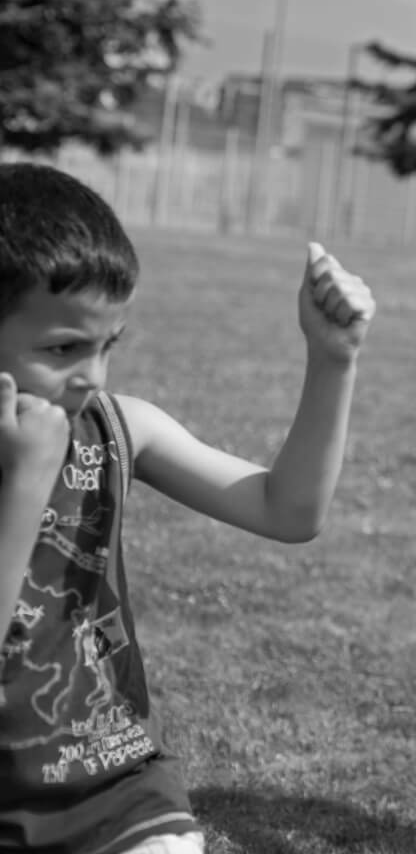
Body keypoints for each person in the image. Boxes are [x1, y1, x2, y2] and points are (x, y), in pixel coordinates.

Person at [0, 163, 376, 854]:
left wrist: (333, 360)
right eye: (62, 349)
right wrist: (25, 485)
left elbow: (286, 510)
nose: (93, 377)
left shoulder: (118, 428)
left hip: (119, 797)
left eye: (107, 347)